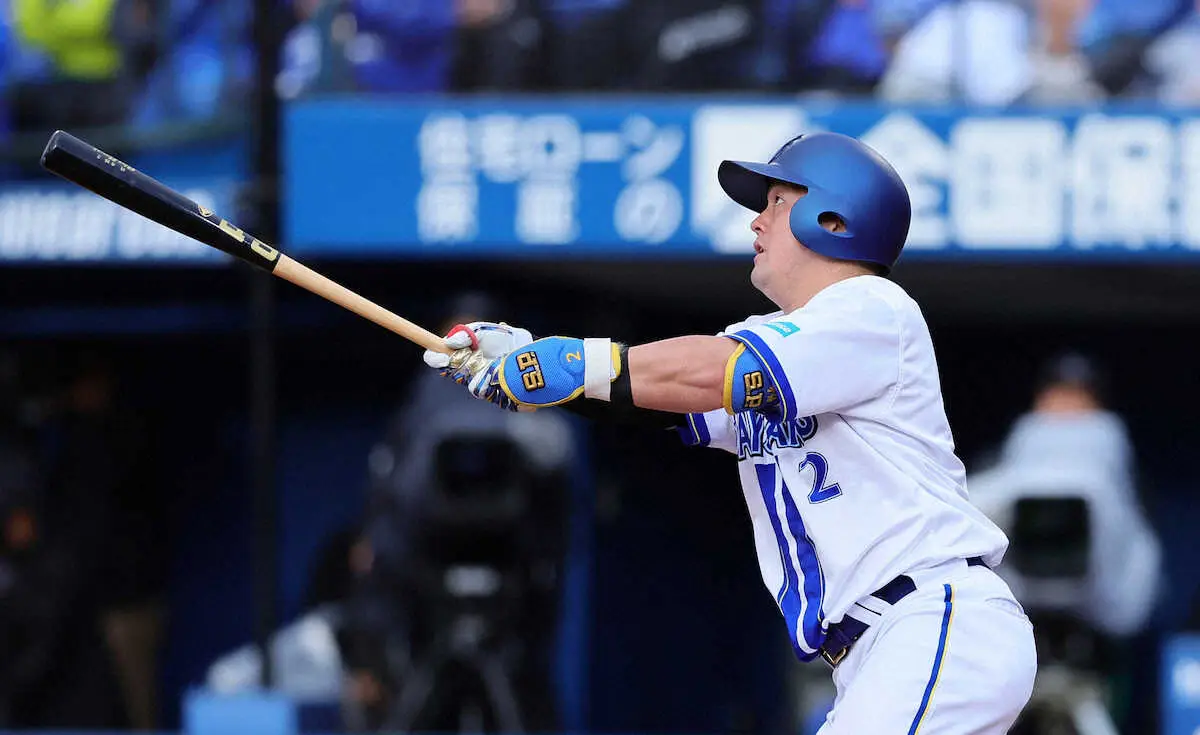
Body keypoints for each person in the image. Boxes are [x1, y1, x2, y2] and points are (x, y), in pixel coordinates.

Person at [423, 132, 1037, 733]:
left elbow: (709, 371)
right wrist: (530, 365)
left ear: (834, 219)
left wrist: (569, 362)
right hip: (887, 646)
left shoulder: (872, 307)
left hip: (933, 619)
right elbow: (656, 403)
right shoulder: (785, 338)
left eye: (777, 202)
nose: (756, 223)